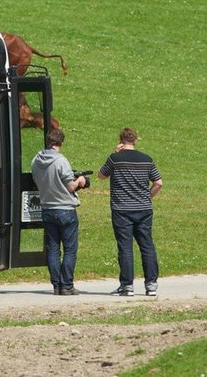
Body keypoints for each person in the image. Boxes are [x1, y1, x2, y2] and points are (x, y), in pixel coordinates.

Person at [97, 127, 163, 297]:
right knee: (147, 245)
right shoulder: (147, 159)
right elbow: (158, 183)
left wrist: (114, 153)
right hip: (144, 209)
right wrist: (148, 197)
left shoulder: (115, 159)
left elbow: (101, 175)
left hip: (122, 209)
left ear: (121, 140)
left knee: (125, 247)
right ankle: (151, 285)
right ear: (135, 139)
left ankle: (127, 286)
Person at [31, 128, 87, 296]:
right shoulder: (61, 160)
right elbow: (70, 186)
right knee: (70, 249)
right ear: (60, 143)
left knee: (53, 248)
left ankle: (56, 285)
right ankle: (67, 285)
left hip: (47, 208)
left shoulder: (36, 160)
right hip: (65, 209)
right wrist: (80, 180)